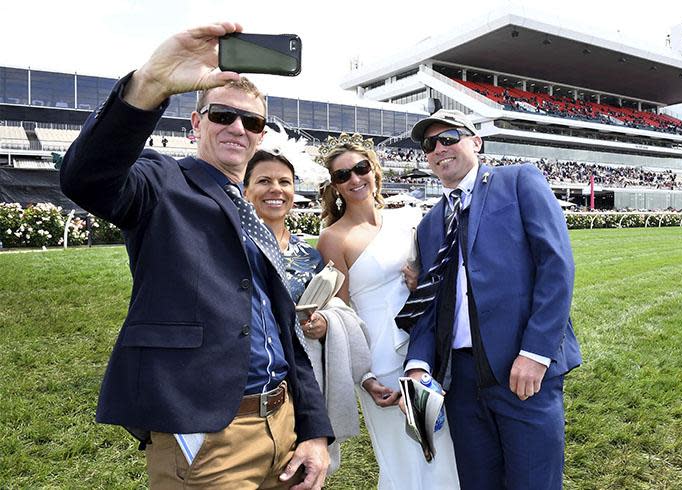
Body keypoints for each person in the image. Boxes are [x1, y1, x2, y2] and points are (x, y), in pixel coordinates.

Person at [59, 23, 332, 489]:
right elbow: (87, 178)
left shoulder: (250, 211)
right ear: (196, 123)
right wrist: (150, 84)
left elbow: (282, 324)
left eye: (252, 122)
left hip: (282, 427)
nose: (238, 128)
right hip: (207, 437)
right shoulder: (162, 180)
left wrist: (314, 430)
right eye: (224, 115)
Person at [399, 109, 582, 489]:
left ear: (476, 141)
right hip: (461, 382)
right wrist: (418, 365)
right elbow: (430, 305)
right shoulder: (431, 224)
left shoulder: (517, 181)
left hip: (523, 369)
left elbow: (556, 265)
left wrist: (536, 353)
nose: (439, 149)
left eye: (449, 137)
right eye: (429, 144)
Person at [242, 143, 400, 474]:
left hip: (303, 380)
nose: (276, 190)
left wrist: (325, 324)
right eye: (263, 181)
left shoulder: (307, 254)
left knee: (303, 472)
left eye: (284, 182)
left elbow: (338, 309)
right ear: (245, 190)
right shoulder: (230, 246)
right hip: (247, 381)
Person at [316, 133, 460, 489]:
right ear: (334, 186)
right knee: (405, 459)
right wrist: (364, 376)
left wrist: (420, 283)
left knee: (444, 450)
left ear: (374, 170)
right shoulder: (333, 238)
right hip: (381, 363)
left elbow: (441, 274)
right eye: (342, 175)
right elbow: (339, 313)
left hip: (426, 351)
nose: (354, 179)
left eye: (360, 168)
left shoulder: (409, 217)